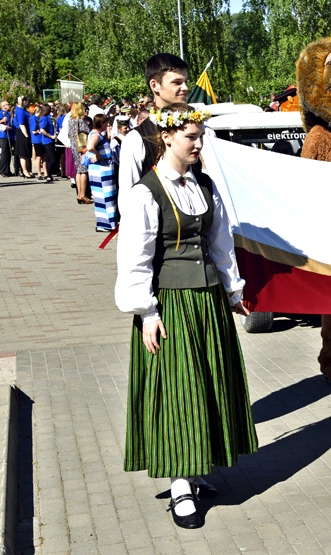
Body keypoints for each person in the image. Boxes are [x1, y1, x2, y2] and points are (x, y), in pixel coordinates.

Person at [114, 103, 257, 529]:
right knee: (178, 389)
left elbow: (220, 241)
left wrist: (232, 291)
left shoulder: (204, 184)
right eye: (191, 137)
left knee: (207, 384)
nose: (198, 144)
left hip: (208, 301)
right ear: (168, 138)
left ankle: (196, 470)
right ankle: (179, 486)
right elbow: (135, 258)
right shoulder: (147, 192)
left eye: (200, 136)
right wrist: (146, 312)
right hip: (171, 304)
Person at [119, 53, 190, 210]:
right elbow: (128, 200)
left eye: (186, 82)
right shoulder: (136, 139)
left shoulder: (201, 131)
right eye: (177, 82)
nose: (185, 88)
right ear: (155, 85)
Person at [86, 114, 117, 231]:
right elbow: (90, 147)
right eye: (106, 124)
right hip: (101, 171)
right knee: (105, 195)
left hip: (103, 170)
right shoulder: (95, 134)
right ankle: (107, 223)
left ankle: (106, 223)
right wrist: (98, 154)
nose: (107, 125)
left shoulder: (98, 134)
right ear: (101, 124)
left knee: (105, 195)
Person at [68, 102, 92, 204]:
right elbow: (88, 131)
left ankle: (79, 194)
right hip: (82, 147)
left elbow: (69, 134)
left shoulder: (70, 120)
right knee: (84, 170)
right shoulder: (81, 121)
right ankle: (83, 194)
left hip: (74, 147)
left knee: (78, 170)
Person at [12, 97, 35, 178]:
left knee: (27, 153)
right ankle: (24, 171)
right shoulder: (20, 111)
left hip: (26, 131)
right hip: (22, 132)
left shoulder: (23, 110)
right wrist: (26, 136)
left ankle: (28, 170)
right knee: (23, 153)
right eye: (25, 100)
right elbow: (21, 124)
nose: (26, 102)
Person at [37, 104, 58, 182]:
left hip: (50, 140)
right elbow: (42, 130)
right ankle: (48, 174)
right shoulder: (44, 118)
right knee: (52, 158)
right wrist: (50, 136)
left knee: (49, 158)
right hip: (47, 141)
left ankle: (49, 174)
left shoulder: (48, 118)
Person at [0, 101, 13, 177]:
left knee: (8, 153)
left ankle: (7, 170)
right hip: (3, 135)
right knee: (5, 152)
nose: (9, 105)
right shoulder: (0, 113)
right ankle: (2, 170)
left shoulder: (9, 113)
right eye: (7, 104)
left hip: (9, 135)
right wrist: (2, 121)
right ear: (3, 106)